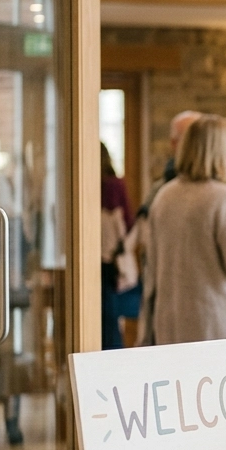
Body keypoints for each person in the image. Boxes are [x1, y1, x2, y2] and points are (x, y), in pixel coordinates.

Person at [140, 114, 226, 345]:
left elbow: (153, 265)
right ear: (219, 150)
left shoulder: (164, 195)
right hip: (218, 328)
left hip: (173, 326)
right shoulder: (225, 198)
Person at [99, 142, 134, 349]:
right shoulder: (116, 185)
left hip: (88, 257)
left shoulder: (83, 185)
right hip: (111, 258)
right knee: (111, 316)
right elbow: (128, 222)